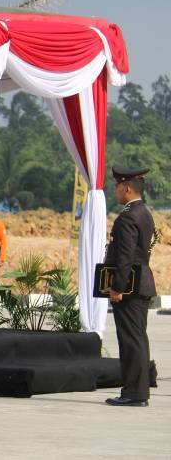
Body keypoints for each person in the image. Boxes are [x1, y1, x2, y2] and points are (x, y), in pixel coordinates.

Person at [104, 165, 157, 407]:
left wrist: (117, 287)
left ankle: (134, 393)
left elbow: (125, 257)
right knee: (137, 338)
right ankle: (138, 391)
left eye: (116, 186)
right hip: (141, 283)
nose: (115, 190)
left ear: (126, 188)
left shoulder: (127, 217)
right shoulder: (144, 212)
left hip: (130, 288)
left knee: (130, 340)